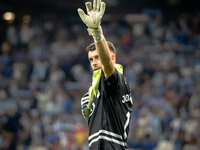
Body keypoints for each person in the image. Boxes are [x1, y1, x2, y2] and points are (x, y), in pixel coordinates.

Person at [78, 0, 133, 149]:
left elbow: (107, 64)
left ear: (113, 58)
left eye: (97, 57)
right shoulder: (93, 92)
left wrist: (97, 33)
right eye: (91, 59)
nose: (94, 62)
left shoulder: (117, 81)